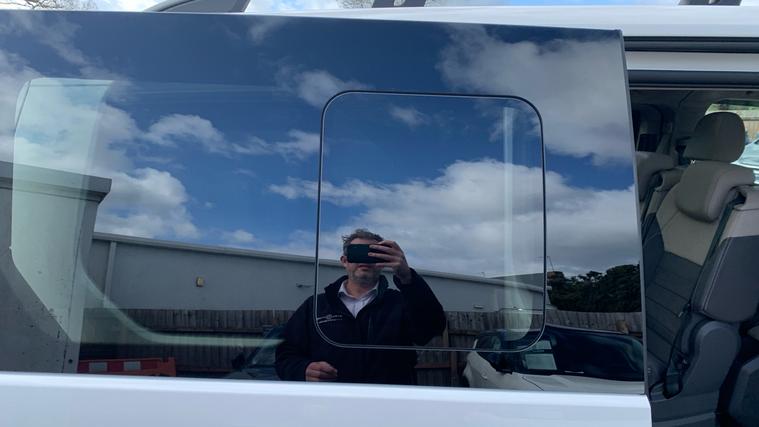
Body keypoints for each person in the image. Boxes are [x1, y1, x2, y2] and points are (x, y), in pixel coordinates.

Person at [275, 229, 446, 385]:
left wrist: (407, 276)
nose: (365, 260)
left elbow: (432, 328)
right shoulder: (315, 306)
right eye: (358, 253)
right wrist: (303, 370)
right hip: (330, 401)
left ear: (383, 261)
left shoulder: (401, 302)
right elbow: (285, 354)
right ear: (344, 261)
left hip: (389, 401)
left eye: (373, 254)